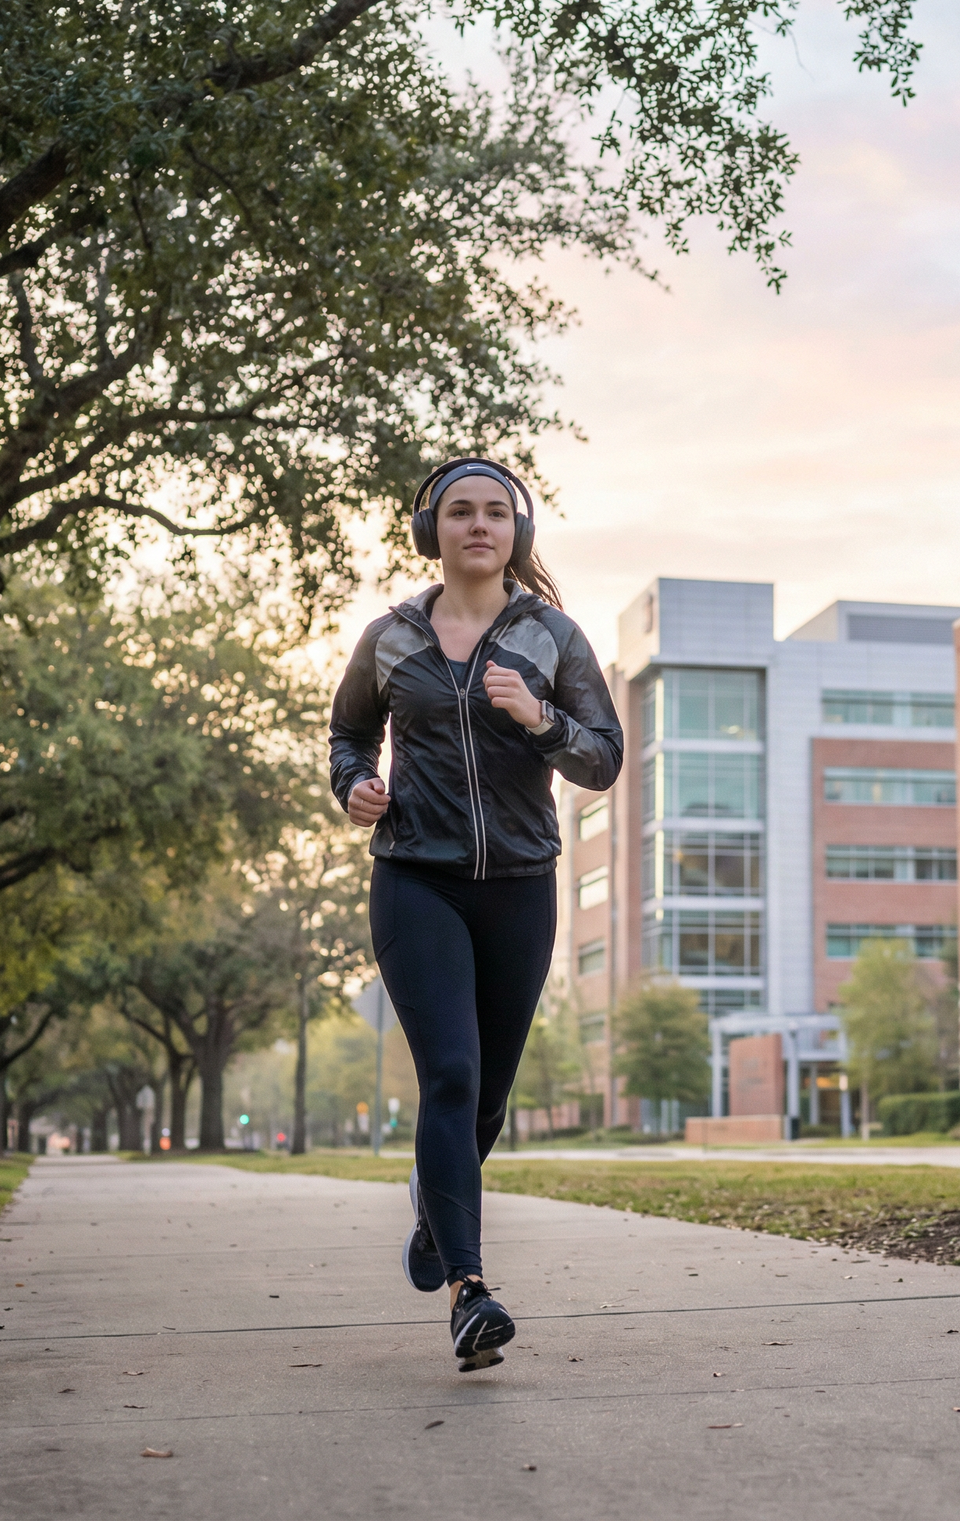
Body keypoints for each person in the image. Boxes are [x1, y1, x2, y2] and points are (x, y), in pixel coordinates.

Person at [328, 459, 622, 1371]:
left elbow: (604, 758)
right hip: (417, 880)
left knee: (488, 1094)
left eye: (497, 513)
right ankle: (469, 1291)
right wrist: (355, 785)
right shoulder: (389, 639)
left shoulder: (553, 637)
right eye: (461, 512)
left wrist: (540, 720)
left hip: (522, 887)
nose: (479, 526)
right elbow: (346, 733)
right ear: (433, 531)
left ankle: (434, 1196)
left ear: (516, 534)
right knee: (451, 1074)